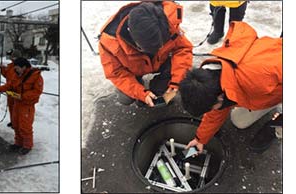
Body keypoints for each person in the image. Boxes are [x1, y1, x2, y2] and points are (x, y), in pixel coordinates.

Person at [180, 21, 282, 154]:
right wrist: (200, 139)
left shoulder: (260, 74)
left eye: (210, 107)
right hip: (268, 90)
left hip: (273, 79)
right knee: (239, 121)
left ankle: (276, 128)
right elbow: (215, 113)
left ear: (220, 97)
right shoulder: (213, 80)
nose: (211, 110)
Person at [98, 1, 193, 107]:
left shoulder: (167, 20)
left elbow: (183, 49)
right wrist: (141, 93)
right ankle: (141, 87)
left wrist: (176, 81)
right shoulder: (109, 41)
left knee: (180, 77)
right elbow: (116, 73)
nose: (159, 48)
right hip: (133, 69)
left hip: (161, 61)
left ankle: (157, 89)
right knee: (125, 98)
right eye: (151, 48)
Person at [0, 57, 43, 155]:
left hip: (27, 105)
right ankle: (18, 143)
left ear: (24, 67)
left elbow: (37, 91)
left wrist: (22, 96)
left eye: (17, 68)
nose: (15, 70)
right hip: (17, 103)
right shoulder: (17, 75)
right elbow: (10, 85)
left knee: (25, 126)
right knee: (16, 124)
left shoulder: (36, 76)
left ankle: (27, 145)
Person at [0, 49, 23, 128]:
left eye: (15, 58)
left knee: (17, 108)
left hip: (17, 90)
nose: (13, 59)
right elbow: (6, 75)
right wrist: (2, 69)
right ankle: (13, 121)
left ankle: (17, 123)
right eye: (13, 57)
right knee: (11, 107)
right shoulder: (10, 66)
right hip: (9, 89)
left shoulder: (21, 67)